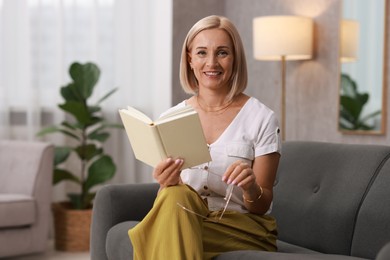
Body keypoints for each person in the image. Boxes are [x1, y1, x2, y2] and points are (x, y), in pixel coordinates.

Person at [128, 15, 281, 260]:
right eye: (201, 53)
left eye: (222, 53)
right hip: (186, 217)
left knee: (152, 233)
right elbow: (166, 201)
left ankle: (146, 234)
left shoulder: (262, 118)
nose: (212, 63)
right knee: (173, 196)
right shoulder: (171, 118)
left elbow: (261, 205)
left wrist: (251, 187)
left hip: (242, 228)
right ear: (189, 59)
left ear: (235, 59)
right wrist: (165, 182)